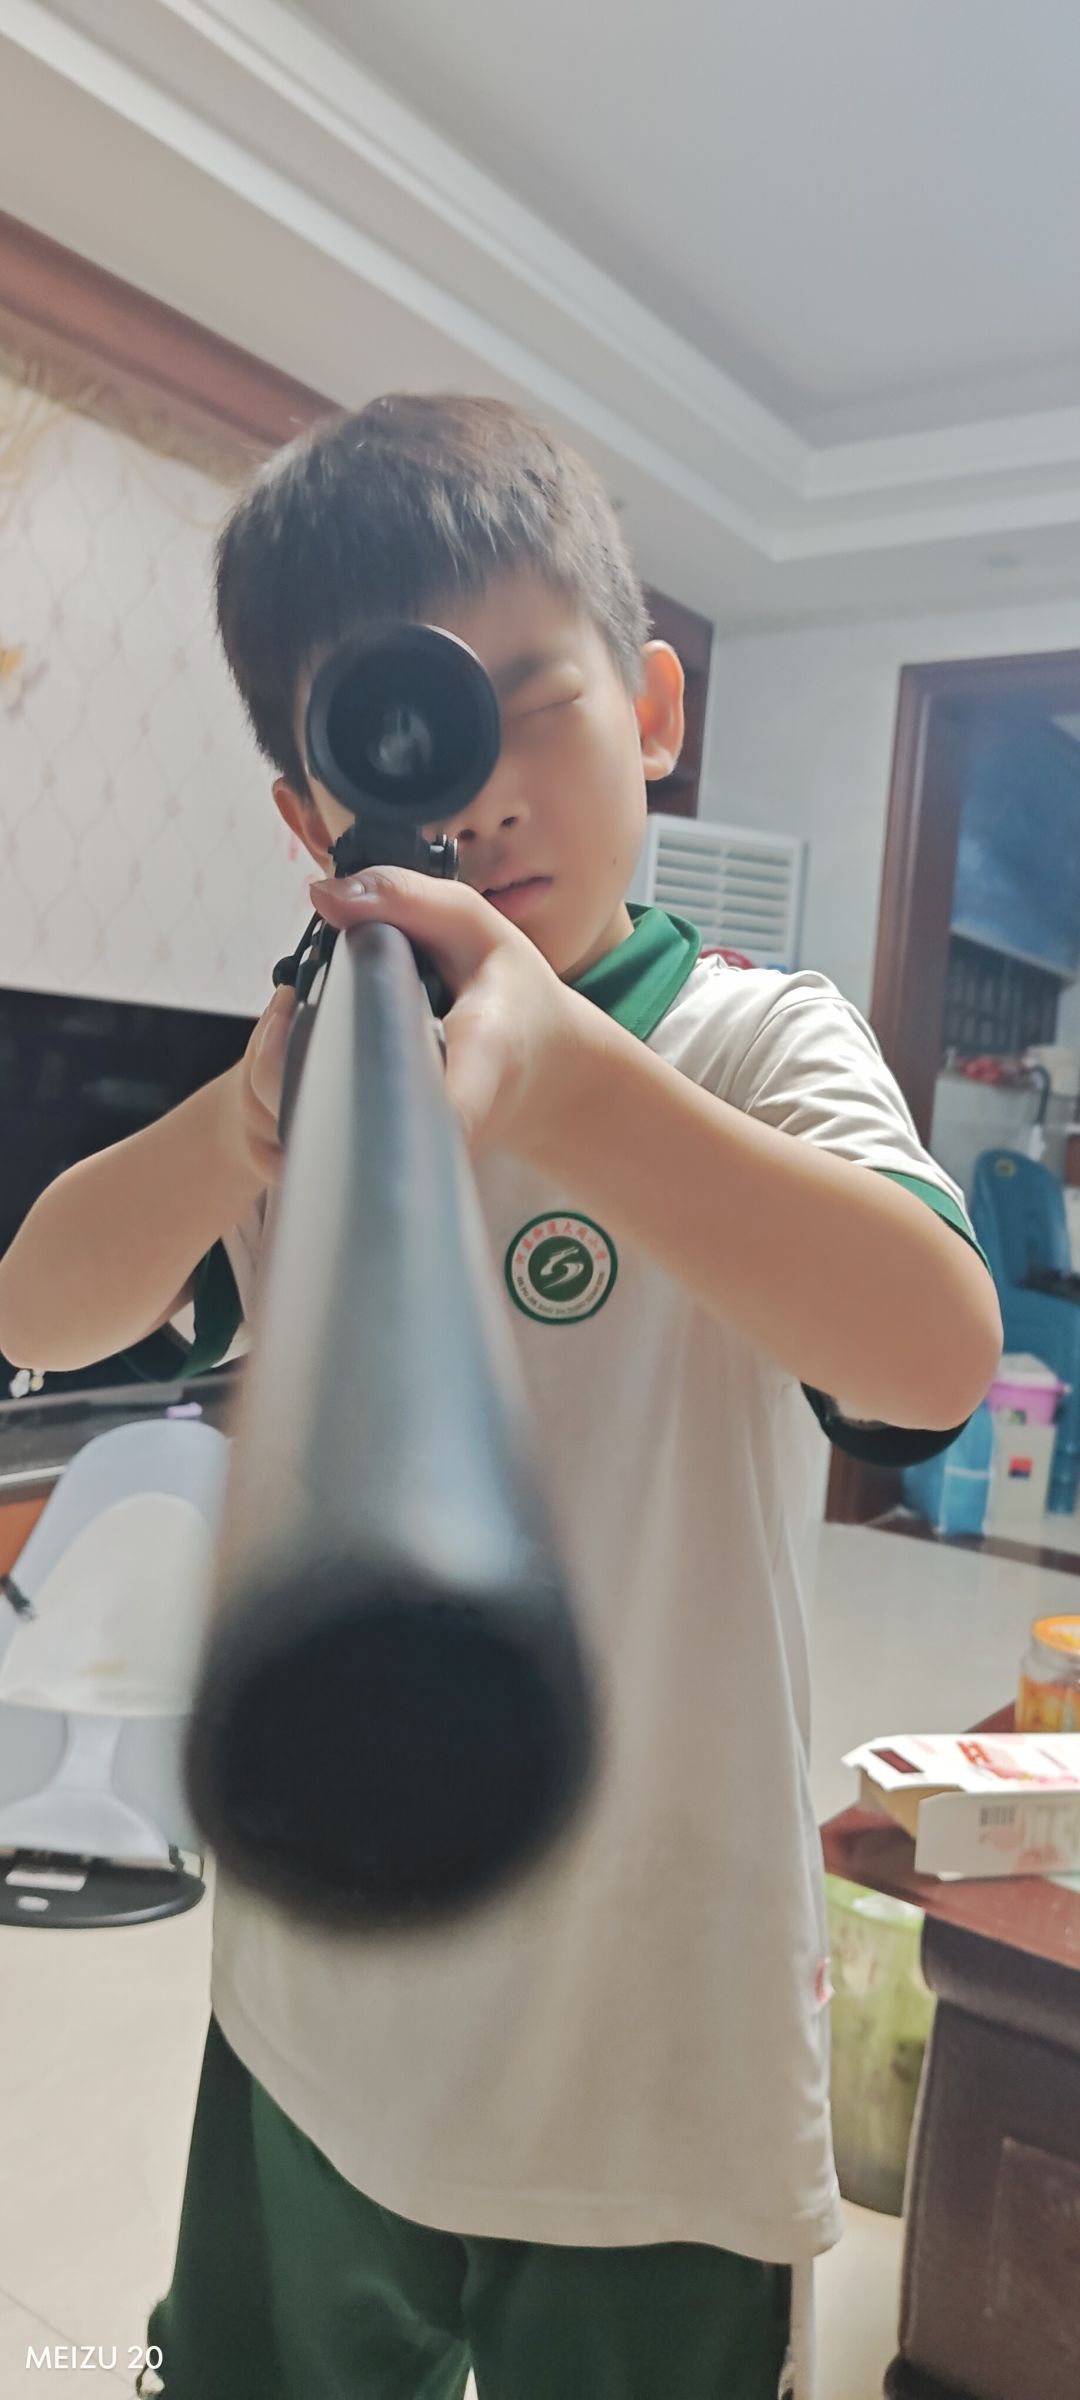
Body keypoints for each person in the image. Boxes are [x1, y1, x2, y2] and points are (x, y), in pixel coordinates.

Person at [0, 395, 1001, 2400]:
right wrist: (240, 1121)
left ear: (653, 709)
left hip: (652, 2047)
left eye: (525, 706)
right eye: (393, 743)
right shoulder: (312, 1072)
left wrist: (570, 1085)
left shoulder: (750, 1039)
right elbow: (41, 1301)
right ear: (308, 817)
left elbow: (932, 1355)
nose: (477, 804)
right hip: (322, 1997)